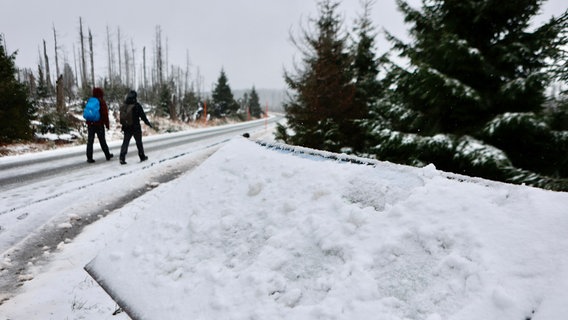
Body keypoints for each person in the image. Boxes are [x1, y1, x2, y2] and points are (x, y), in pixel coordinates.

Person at [119, 90, 152, 165]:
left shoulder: (124, 105)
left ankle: (122, 157)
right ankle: (142, 156)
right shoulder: (137, 105)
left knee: (125, 142)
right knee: (139, 142)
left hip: (126, 127)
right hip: (135, 126)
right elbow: (143, 116)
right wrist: (148, 123)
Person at [86, 87, 113, 163]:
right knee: (102, 140)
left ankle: (89, 157)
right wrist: (107, 125)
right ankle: (107, 155)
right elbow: (105, 114)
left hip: (90, 124)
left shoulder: (90, 100)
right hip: (99, 124)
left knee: (90, 141)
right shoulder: (101, 101)